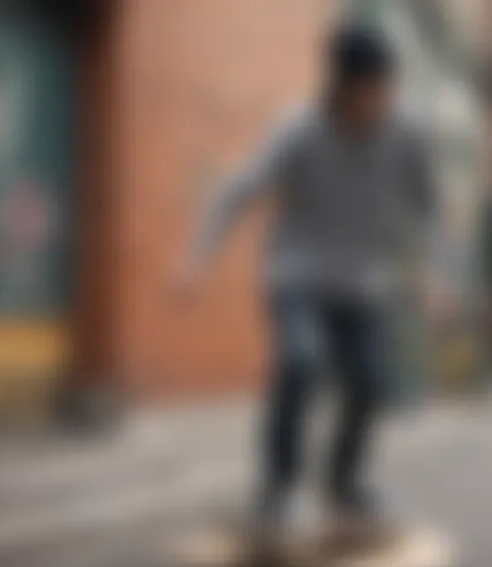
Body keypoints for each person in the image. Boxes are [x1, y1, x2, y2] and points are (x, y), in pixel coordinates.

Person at [171, 24, 446, 531]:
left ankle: (345, 485)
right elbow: (237, 190)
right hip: (297, 275)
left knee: (369, 382)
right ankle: (277, 489)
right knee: (301, 362)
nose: (377, 105)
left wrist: (431, 273)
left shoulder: (407, 132)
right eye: (368, 92)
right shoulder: (298, 129)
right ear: (340, 87)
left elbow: (431, 209)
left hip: (362, 282)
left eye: (386, 91)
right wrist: (196, 260)